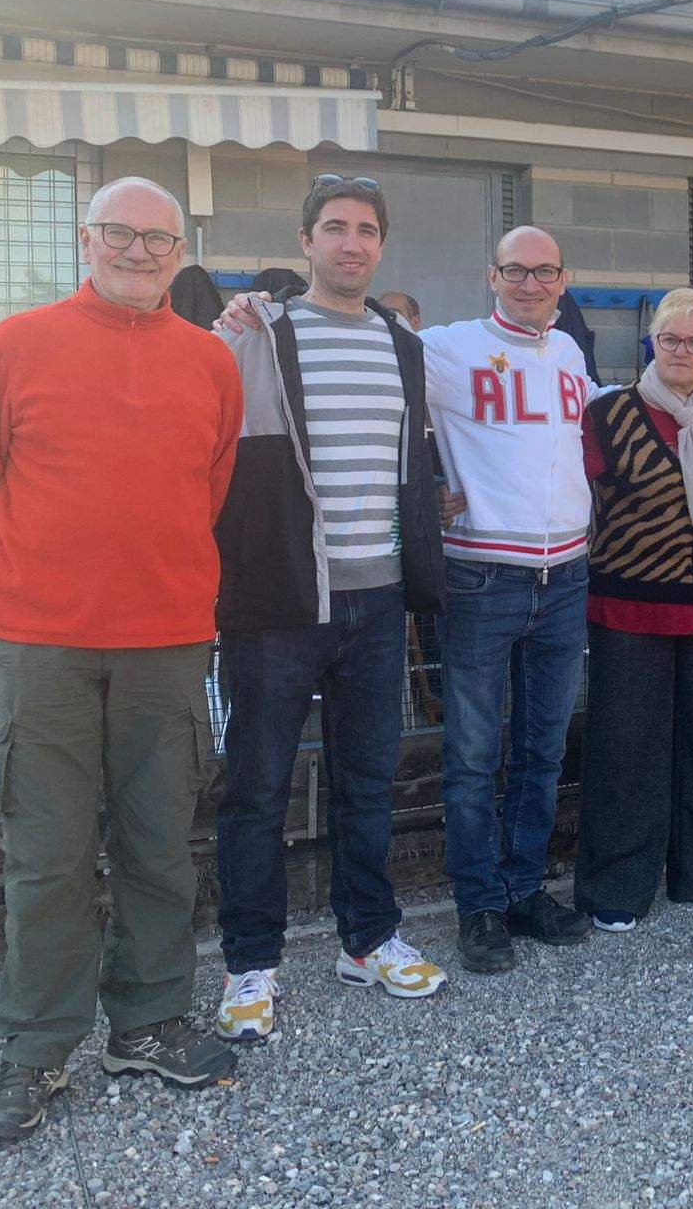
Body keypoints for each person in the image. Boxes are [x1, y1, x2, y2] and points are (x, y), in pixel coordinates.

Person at [0, 178, 243, 1142]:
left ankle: (147, 1022)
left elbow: (212, 486)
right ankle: (36, 1048)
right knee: (48, 854)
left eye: (161, 239)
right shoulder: (15, 345)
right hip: (43, 647)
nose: (141, 253)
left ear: (181, 251)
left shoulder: (210, 362)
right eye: (123, 234)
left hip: (167, 642)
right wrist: (36, 579)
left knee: (159, 846)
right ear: (86, 238)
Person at [210, 176, 448, 1044]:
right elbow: (202, 417)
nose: (352, 243)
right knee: (258, 789)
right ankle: (251, 964)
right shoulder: (258, 333)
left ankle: (368, 936)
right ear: (306, 239)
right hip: (279, 598)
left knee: (366, 780)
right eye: (336, 228)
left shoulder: (402, 341)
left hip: (378, 600)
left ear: (381, 246)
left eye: (368, 230)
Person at [421, 227, 596, 967]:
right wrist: (420, 492)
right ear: (491, 275)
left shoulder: (568, 352)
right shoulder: (447, 347)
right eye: (516, 271)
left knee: (542, 749)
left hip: (566, 577)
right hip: (484, 576)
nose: (531, 284)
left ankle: (524, 888)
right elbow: (374, 381)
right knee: (471, 753)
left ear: (562, 281)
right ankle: (479, 906)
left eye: (544, 272)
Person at [573, 288, 693, 930]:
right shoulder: (607, 416)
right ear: (651, 344)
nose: (681, 351)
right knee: (626, 748)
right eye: (670, 339)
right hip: (631, 609)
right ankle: (618, 886)